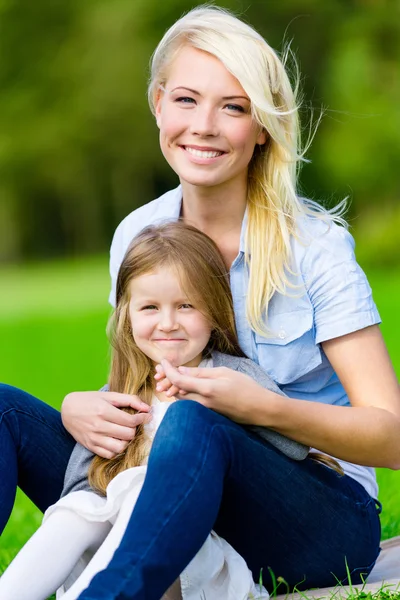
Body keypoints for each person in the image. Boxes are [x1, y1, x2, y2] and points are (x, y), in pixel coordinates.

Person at [0, 4, 399, 599]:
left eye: (233, 107)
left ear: (262, 126)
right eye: (186, 100)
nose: (204, 125)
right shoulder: (139, 232)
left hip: (315, 515)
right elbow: (136, 387)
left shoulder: (316, 248)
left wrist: (262, 409)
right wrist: (80, 412)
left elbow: (390, 436)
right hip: (172, 496)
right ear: (158, 103)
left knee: (195, 420)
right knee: (4, 408)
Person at [0, 222, 310, 600]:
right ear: (127, 317)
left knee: (137, 487)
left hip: (201, 551)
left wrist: (246, 409)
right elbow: (79, 486)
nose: (167, 323)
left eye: (185, 305)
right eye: (150, 307)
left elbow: (296, 450)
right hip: (121, 547)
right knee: (78, 506)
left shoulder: (231, 377)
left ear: (213, 311)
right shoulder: (122, 394)